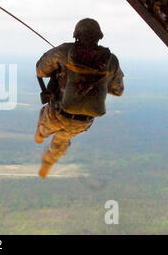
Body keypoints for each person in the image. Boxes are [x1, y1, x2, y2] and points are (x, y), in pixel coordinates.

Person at [35, 18, 124, 178]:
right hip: (84, 121)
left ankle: (41, 134)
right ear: (99, 37)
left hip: (57, 113)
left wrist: (61, 71)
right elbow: (118, 90)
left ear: (76, 35)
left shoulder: (63, 52)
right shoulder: (111, 61)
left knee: (45, 119)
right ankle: (48, 161)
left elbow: (40, 70)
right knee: (63, 138)